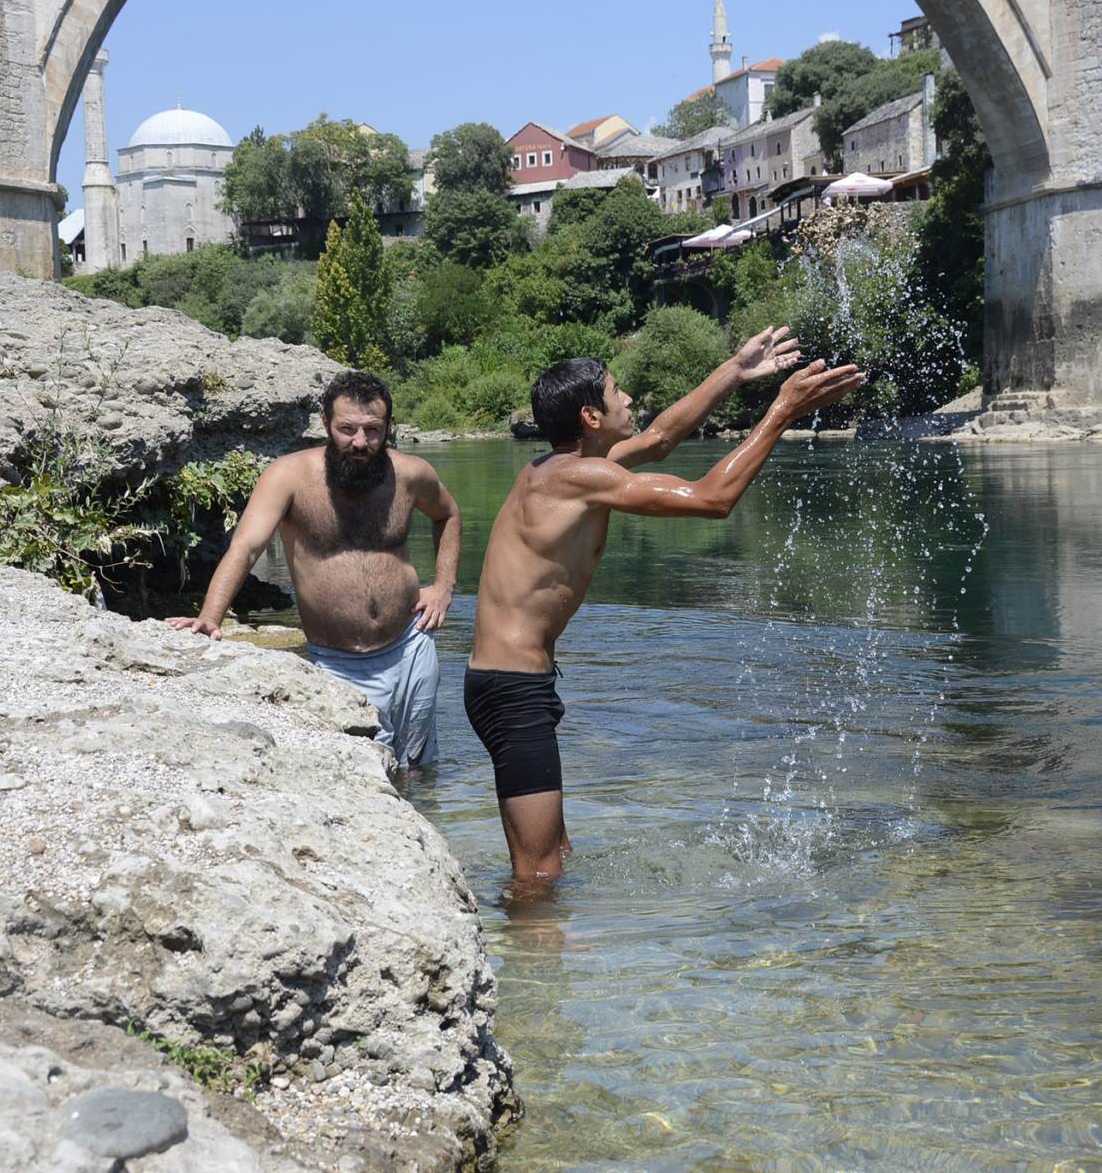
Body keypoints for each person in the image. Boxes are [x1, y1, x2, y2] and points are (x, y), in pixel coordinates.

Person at [466, 327, 864, 886]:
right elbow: (712, 499)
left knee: (555, 856)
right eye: (616, 390)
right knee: (540, 872)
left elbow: (658, 440)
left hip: (513, 685)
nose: (628, 398)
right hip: (511, 691)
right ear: (591, 417)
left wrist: (736, 370)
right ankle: (529, 956)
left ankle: (546, 965)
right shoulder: (578, 478)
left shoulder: (560, 469)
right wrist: (782, 412)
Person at [170, 369, 459, 768]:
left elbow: (448, 515)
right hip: (337, 662)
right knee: (362, 774)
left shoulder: (411, 474)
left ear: (388, 426)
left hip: (412, 646)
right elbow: (247, 546)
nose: (360, 442)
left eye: (373, 430)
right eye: (347, 429)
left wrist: (443, 586)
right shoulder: (288, 476)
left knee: (419, 770)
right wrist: (210, 616)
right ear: (325, 423)